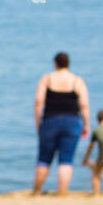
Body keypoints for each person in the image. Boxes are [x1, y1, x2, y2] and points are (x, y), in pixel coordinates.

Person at [33, 52, 89, 195]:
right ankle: (62, 192)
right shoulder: (77, 80)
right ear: (68, 64)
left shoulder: (47, 79)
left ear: (55, 63)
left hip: (50, 120)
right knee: (66, 159)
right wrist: (86, 124)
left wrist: (38, 122)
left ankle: (37, 190)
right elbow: (84, 105)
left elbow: (38, 102)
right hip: (72, 121)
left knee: (44, 159)